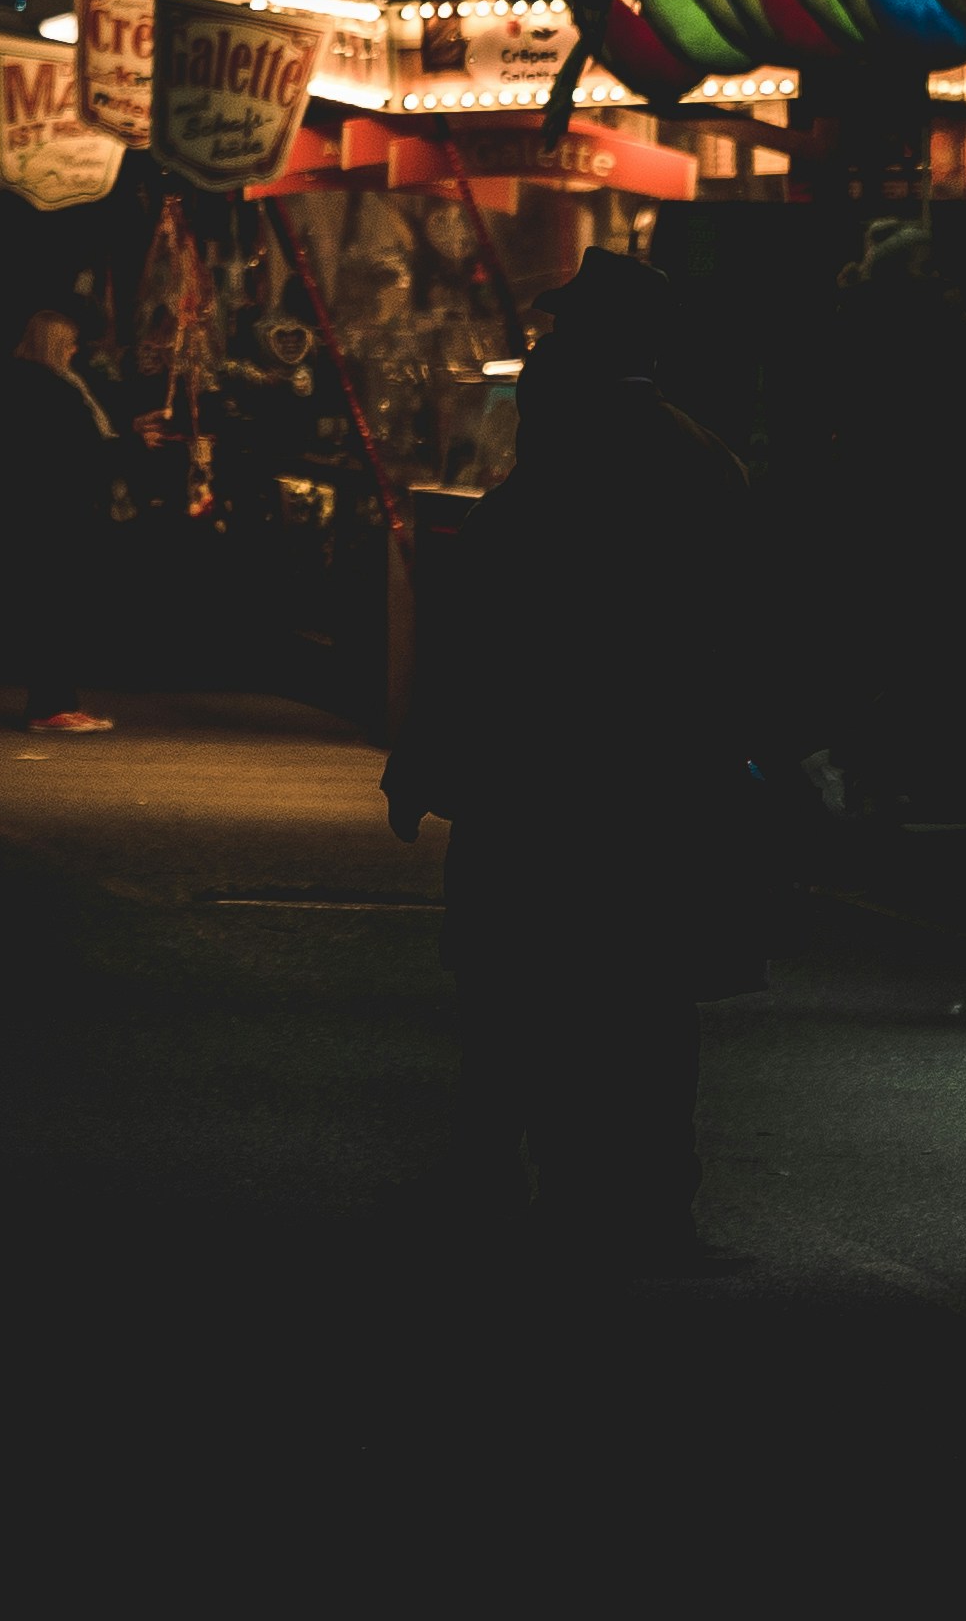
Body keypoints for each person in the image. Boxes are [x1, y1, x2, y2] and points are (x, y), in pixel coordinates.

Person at [380, 262, 771, 1263]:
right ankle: (647, 1206)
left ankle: (509, 1182)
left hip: (539, 773)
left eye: (559, 332)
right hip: (661, 778)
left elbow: (479, 626)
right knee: (645, 1005)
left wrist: (423, 756)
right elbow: (743, 633)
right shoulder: (704, 464)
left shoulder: (548, 471)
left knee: (520, 989)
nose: (543, 347)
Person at [0, 289, 128, 733]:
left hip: (36, 510)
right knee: (56, 609)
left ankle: (59, 702)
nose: (76, 351)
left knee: (54, 608)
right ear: (55, 345)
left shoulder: (18, 384)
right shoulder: (49, 389)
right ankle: (51, 706)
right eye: (70, 343)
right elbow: (77, 452)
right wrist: (131, 448)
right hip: (52, 513)